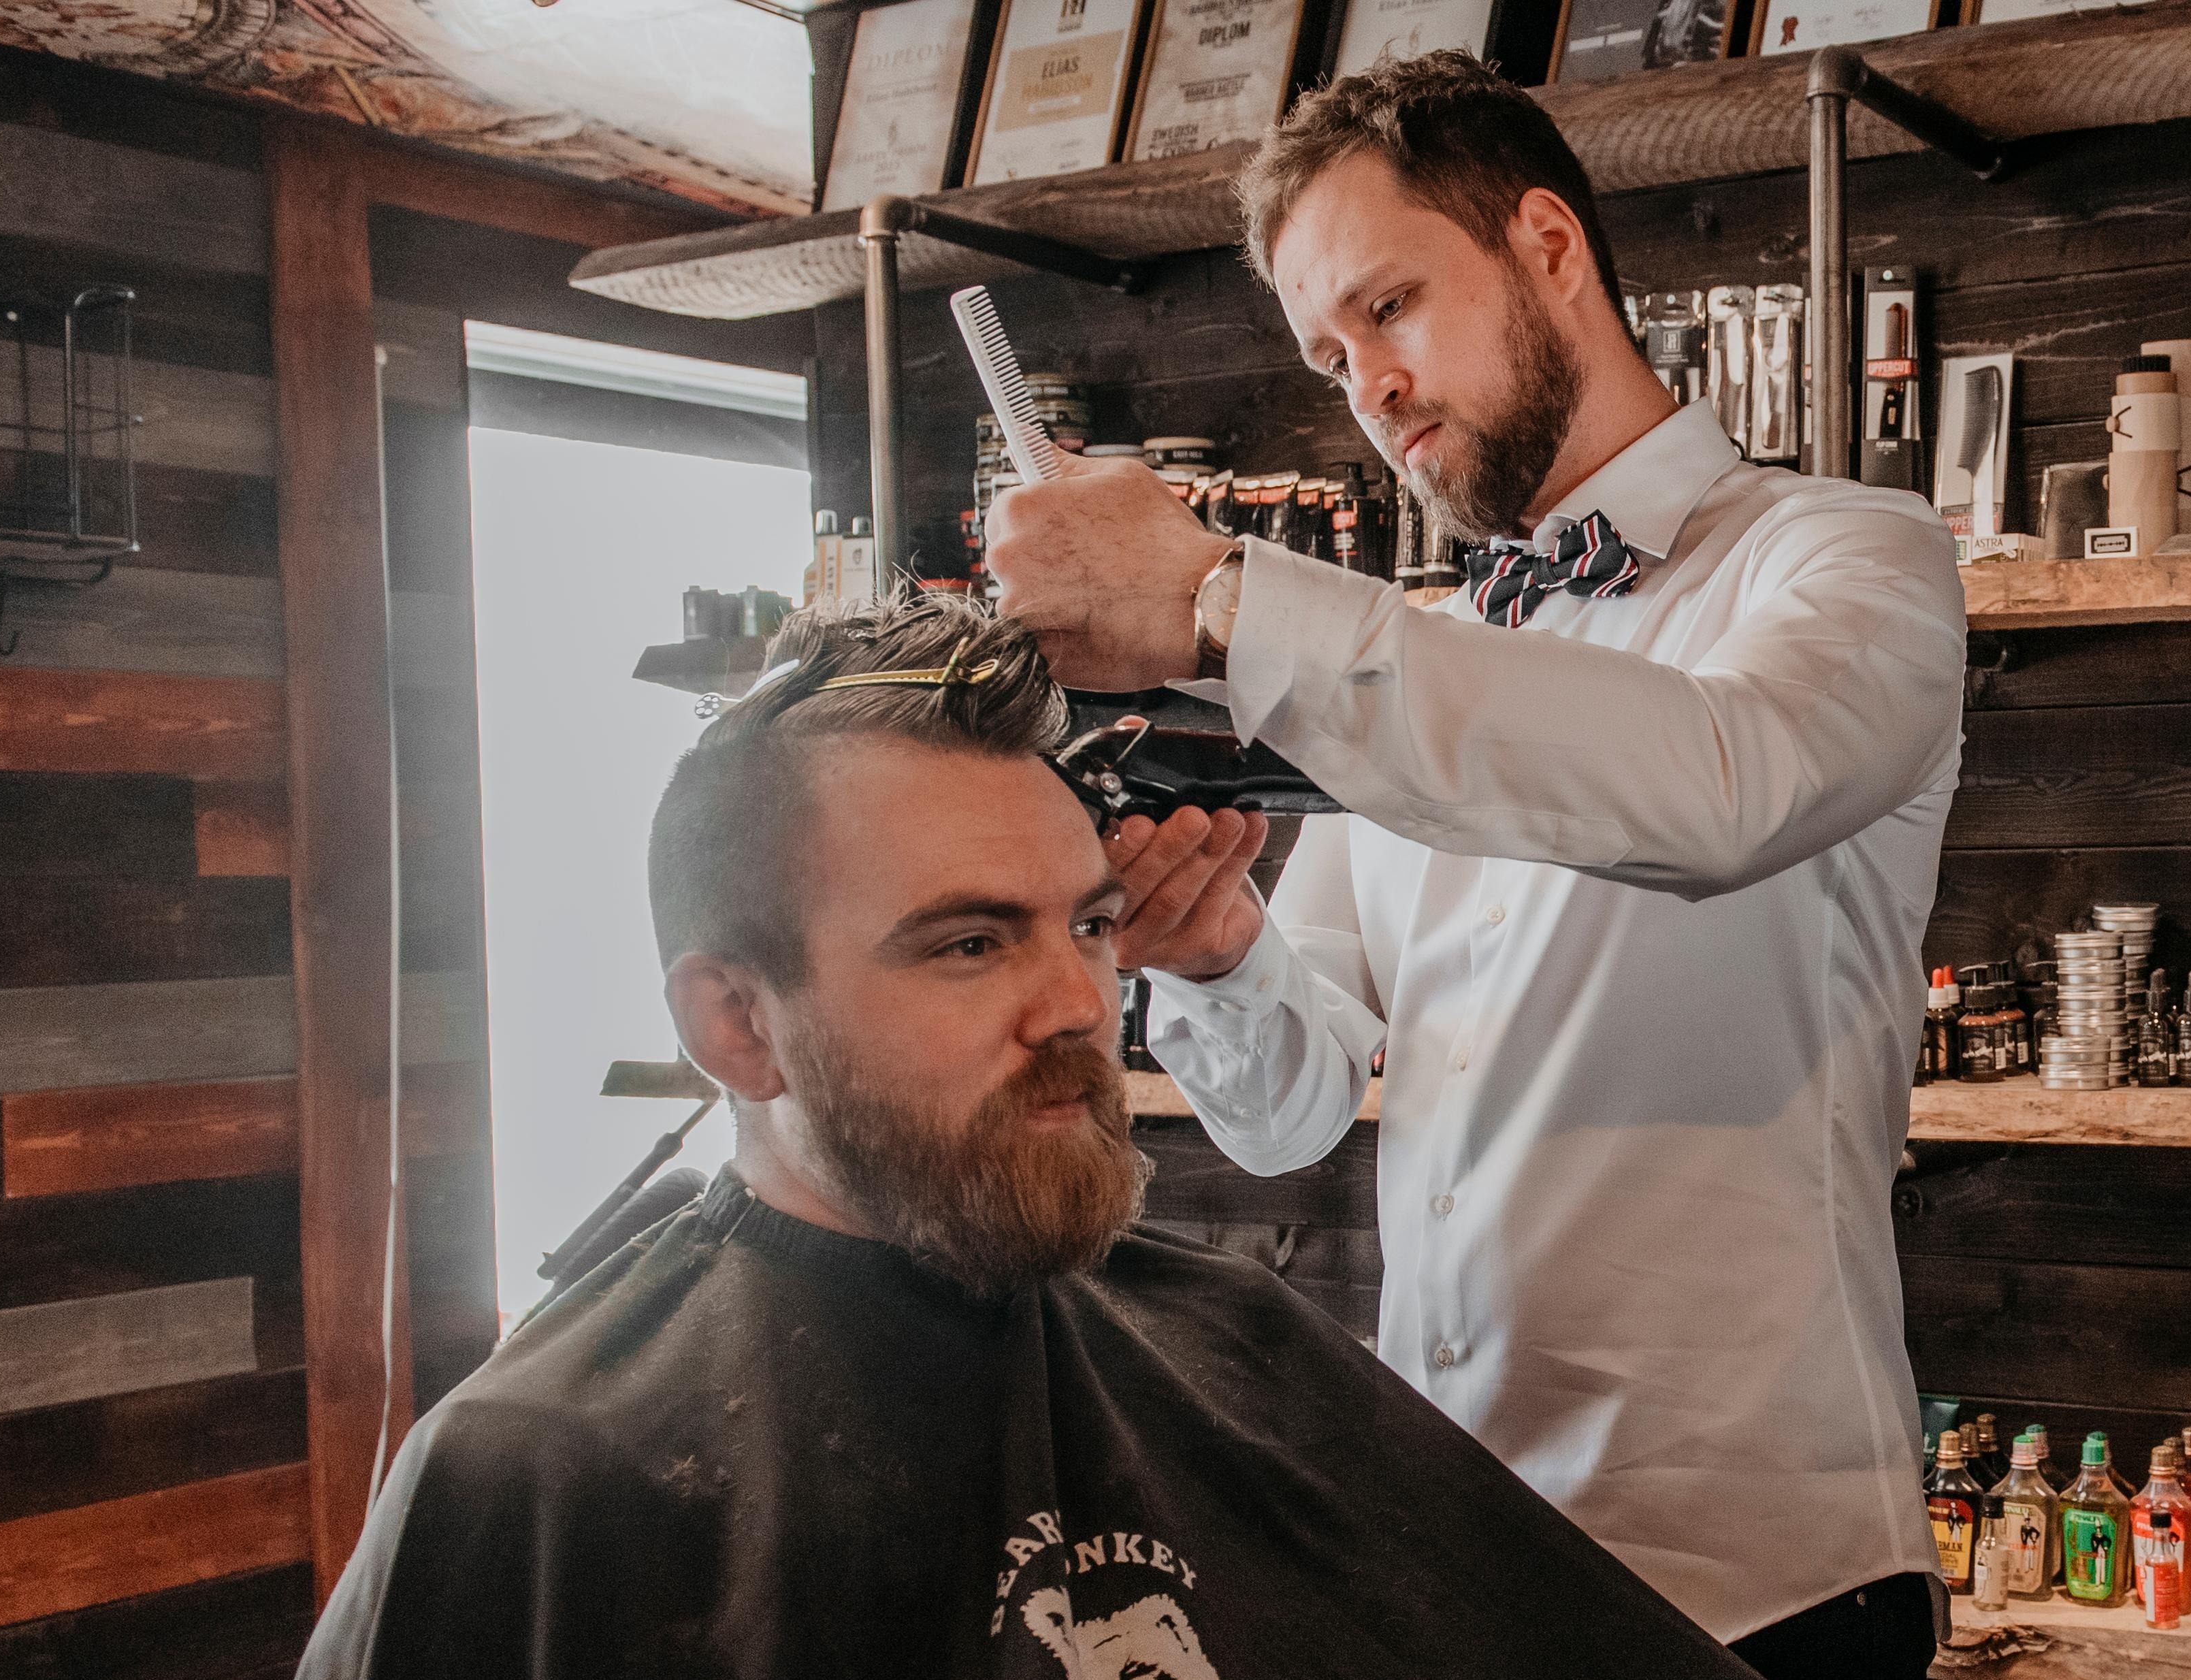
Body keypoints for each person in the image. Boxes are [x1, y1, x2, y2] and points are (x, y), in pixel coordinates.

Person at [982, 51, 1966, 1680]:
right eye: (1325, 348)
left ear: (1547, 247)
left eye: (1389, 306)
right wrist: (1228, 957)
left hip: (1752, 1581)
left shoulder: (1847, 556)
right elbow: (1293, 1106)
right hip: (1450, 1553)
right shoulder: (1425, 666)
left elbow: (1724, 785)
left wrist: (1224, 595)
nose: (1363, 383)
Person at [297, 600, 1758, 1680]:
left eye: (1089, 925)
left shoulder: (1235, 1347)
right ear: (736, 1024)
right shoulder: (535, 1478)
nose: (1077, 1004)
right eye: (968, 943)